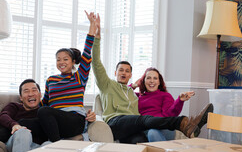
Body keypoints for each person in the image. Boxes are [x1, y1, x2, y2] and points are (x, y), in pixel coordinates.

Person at [91, 15, 213, 143]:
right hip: (116, 122)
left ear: (131, 75)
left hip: (133, 128)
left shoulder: (133, 94)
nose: (124, 73)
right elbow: (96, 64)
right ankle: (183, 123)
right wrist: (97, 38)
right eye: (121, 70)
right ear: (115, 72)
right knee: (144, 120)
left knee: (140, 142)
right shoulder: (107, 85)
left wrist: (133, 87)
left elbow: (128, 91)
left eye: (127, 71)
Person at [0, 79, 96, 152]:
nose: (31, 94)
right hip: (17, 143)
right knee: (23, 132)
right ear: (21, 98)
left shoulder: (46, 112)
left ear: (40, 95)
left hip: (37, 148)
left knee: (49, 144)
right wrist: (14, 125)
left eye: (34, 90)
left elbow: (67, 116)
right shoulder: (15, 106)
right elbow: (3, 116)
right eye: (26, 91)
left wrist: (88, 116)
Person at [38, 11, 98, 142]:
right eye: (58, 59)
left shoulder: (79, 76)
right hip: (55, 119)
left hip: (74, 119)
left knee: (44, 111)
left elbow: (87, 51)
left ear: (73, 62)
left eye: (65, 59)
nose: (61, 62)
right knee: (28, 120)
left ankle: (56, 145)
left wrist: (92, 25)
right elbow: (44, 103)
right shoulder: (51, 80)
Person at [131, 67, 195, 141]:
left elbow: (170, 115)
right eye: (148, 78)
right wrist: (134, 85)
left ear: (159, 82)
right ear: (143, 81)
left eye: (155, 78)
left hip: (164, 128)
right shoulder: (138, 96)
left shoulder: (165, 95)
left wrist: (180, 100)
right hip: (145, 127)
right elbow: (123, 93)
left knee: (152, 133)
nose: (152, 81)